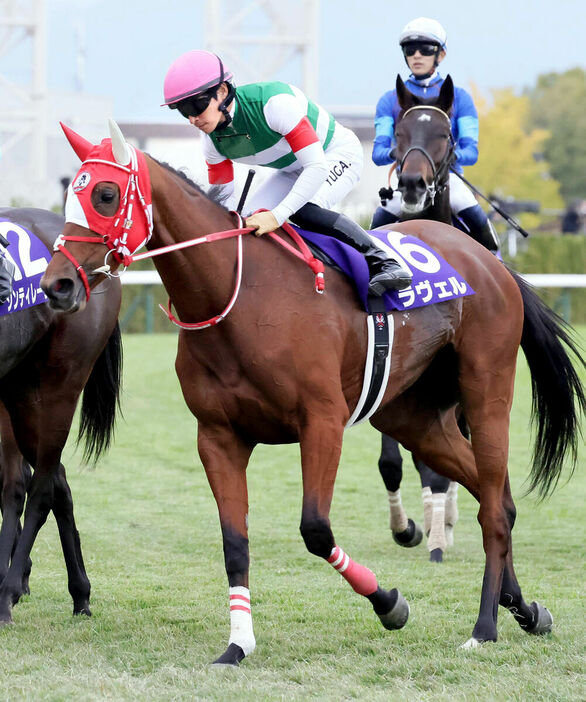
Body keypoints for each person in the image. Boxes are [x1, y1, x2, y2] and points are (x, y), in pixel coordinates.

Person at [162, 50, 412, 294]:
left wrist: (278, 215)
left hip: (334, 155)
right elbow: (224, 201)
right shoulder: (211, 142)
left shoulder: (274, 105)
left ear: (223, 92)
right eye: (184, 111)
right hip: (292, 169)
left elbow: (316, 167)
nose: (193, 118)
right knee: (247, 221)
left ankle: (383, 260)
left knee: (303, 209)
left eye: (197, 105)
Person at [371, 17, 499, 252]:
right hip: (406, 183)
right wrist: (398, 151)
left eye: (426, 49)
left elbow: (471, 151)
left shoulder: (460, 97)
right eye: (410, 50)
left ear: (441, 55)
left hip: (448, 180)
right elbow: (378, 154)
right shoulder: (389, 100)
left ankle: (498, 266)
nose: (417, 55)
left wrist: (452, 155)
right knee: (376, 226)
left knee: (475, 216)